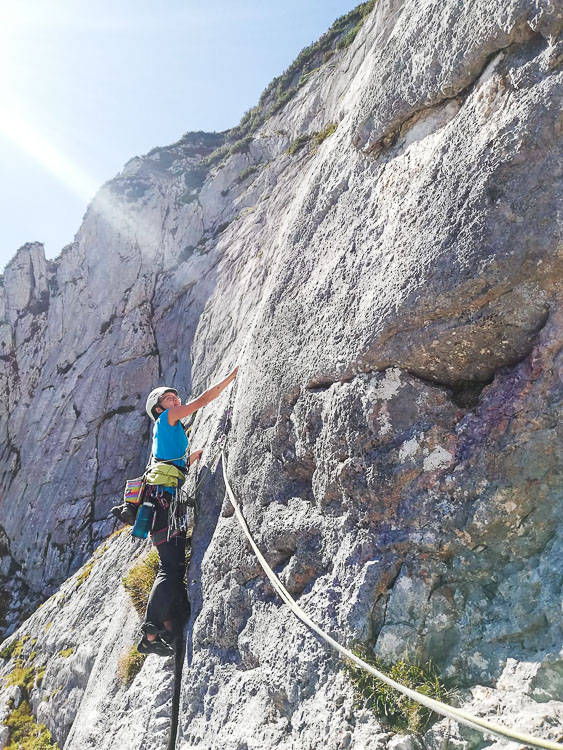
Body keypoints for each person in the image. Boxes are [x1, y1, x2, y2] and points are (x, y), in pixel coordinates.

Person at [135, 366, 238, 656]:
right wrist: (230, 378)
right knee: (170, 568)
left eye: (175, 395)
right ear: (159, 407)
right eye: (169, 397)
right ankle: (151, 634)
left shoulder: (171, 430)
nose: (176, 399)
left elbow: (173, 463)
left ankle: (168, 627)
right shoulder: (167, 419)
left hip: (164, 503)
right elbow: (202, 401)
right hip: (162, 504)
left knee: (176, 567)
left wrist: (193, 457)